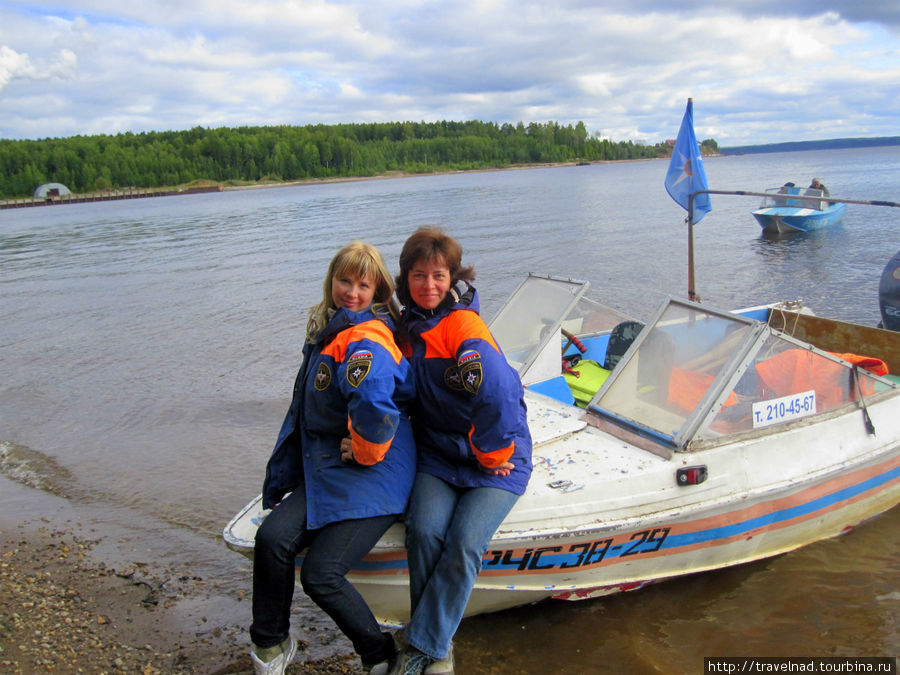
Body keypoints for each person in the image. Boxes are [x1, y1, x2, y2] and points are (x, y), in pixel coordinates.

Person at [250, 242, 416, 675]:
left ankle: (379, 654)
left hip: (375, 472)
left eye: (364, 285)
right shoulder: (331, 327)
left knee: (321, 574)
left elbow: (376, 403)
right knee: (271, 540)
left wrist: (364, 450)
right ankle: (270, 646)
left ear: (378, 291)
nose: (352, 293)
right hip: (330, 468)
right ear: (332, 281)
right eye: (345, 281)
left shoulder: (366, 336)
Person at [389, 227, 533, 675]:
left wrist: (491, 455)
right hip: (439, 456)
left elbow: (501, 393)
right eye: (418, 275)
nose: (428, 285)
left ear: (453, 277)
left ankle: (423, 646)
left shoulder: (463, 328)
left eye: (438, 275)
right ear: (405, 280)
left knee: (466, 541)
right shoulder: (408, 327)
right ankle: (437, 643)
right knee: (424, 531)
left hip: (496, 459)